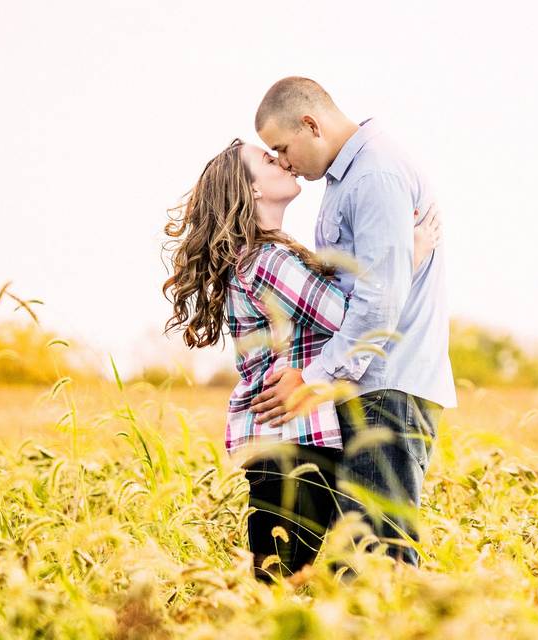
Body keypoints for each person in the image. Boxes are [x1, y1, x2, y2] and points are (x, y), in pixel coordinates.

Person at [162, 138, 440, 582]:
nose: (283, 161)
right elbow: (349, 317)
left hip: (285, 441)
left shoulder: (262, 256)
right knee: (277, 583)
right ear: (251, 189)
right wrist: (409, 255)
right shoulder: (267, 259)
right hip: (290, 444)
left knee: (283, 580)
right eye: (269, 160)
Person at [248, 76, 457, 567]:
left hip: (388, 388)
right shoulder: (352, 177)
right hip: (370, 386)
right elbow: (358, 288)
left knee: (373, 559)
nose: (283, 161)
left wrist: (312, 380)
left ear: (310, 124)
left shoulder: (374, 175)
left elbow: (377, 305)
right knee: (356, 559)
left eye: (282, 146)